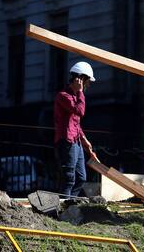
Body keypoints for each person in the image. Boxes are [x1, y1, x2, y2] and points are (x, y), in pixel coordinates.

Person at [54, 61, 96, 198]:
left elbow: (76, 123)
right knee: (68, 179)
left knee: (81, 178)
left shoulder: (75, 97)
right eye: (87, 81)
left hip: (76, 142)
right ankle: (63, 210)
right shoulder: (63, 96)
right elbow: (80, 111)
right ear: (80, 79)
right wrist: (80, 92)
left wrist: (85, 140)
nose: (88, 85)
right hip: (66, 141)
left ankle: (69, 204)